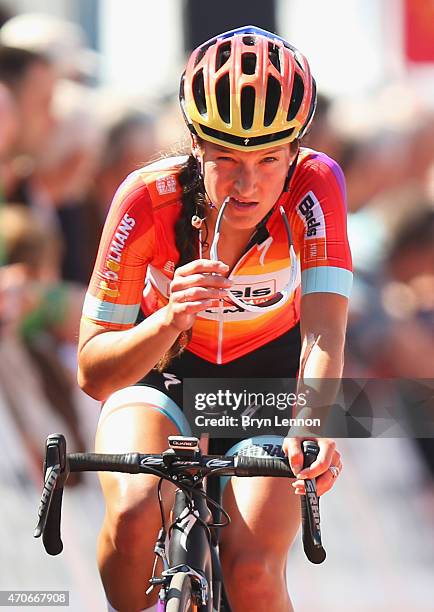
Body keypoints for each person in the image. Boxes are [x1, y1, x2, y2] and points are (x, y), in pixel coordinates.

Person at [78, 26, 352, 612]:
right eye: (226, 159)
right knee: (131, 516)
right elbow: (95, 374)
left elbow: (326, 326)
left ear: (295, 152)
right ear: (196, 146)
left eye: (269, 160)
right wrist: (169, 320)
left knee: (252, 572)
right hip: (163, 378)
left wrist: (316, 422)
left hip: (266, 386)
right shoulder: (147, 197)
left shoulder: (316, 185)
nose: (248, 182)